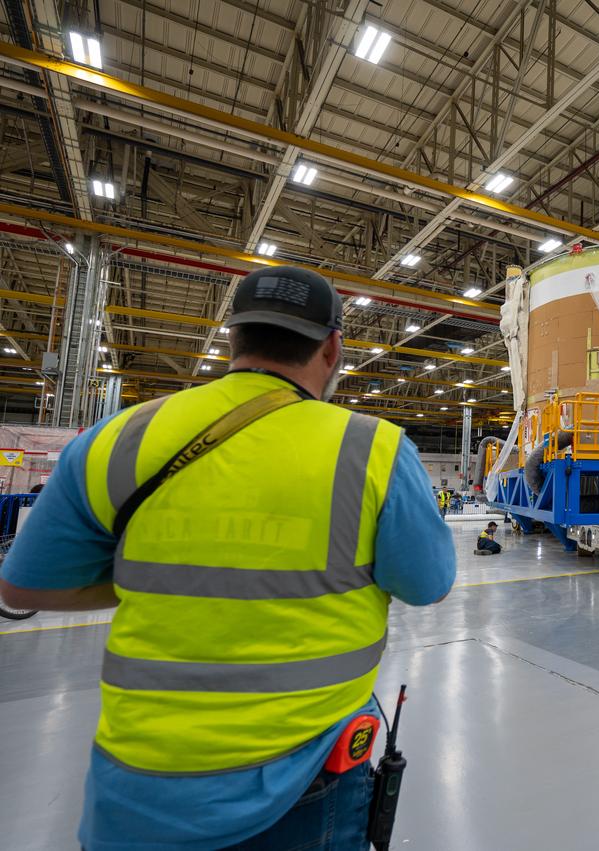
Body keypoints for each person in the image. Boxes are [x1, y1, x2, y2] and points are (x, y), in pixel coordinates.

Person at [0, 266, 458, 849]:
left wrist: (156, 575)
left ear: (232, 338)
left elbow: (23, 590)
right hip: (308, 775)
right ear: (334, 347)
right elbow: (428, 585)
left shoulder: (119, 436)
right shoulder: (372, 447)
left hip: (138, 787)